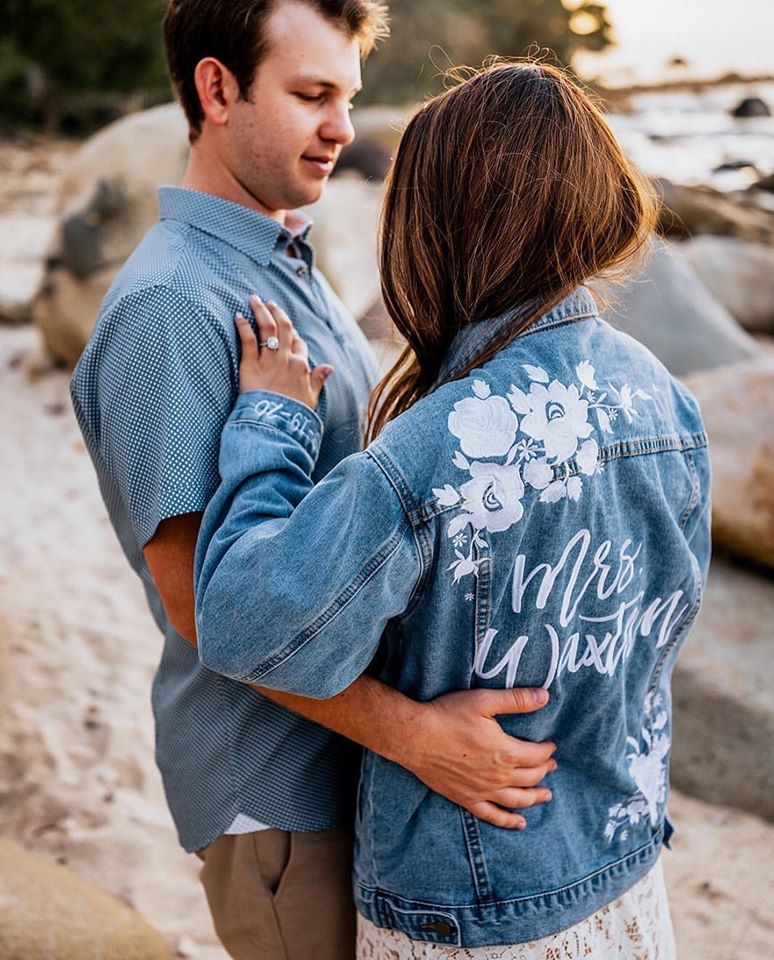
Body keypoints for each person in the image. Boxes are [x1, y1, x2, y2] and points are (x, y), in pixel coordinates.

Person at [70, 5, 558, 959]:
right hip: (277, 788)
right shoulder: (173, 305)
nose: (343, 127)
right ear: (217, 90)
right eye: (310, 95)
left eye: (348, 97)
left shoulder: (287, 255)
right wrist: (419, 737)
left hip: (349, 760)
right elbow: (197, 608)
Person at [194, 62, 712, 959]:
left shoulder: (445, 443)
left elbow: (244, 622)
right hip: (628, 872)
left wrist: (273, 421)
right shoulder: (670, 403)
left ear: (436, 222)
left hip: (474, 911)